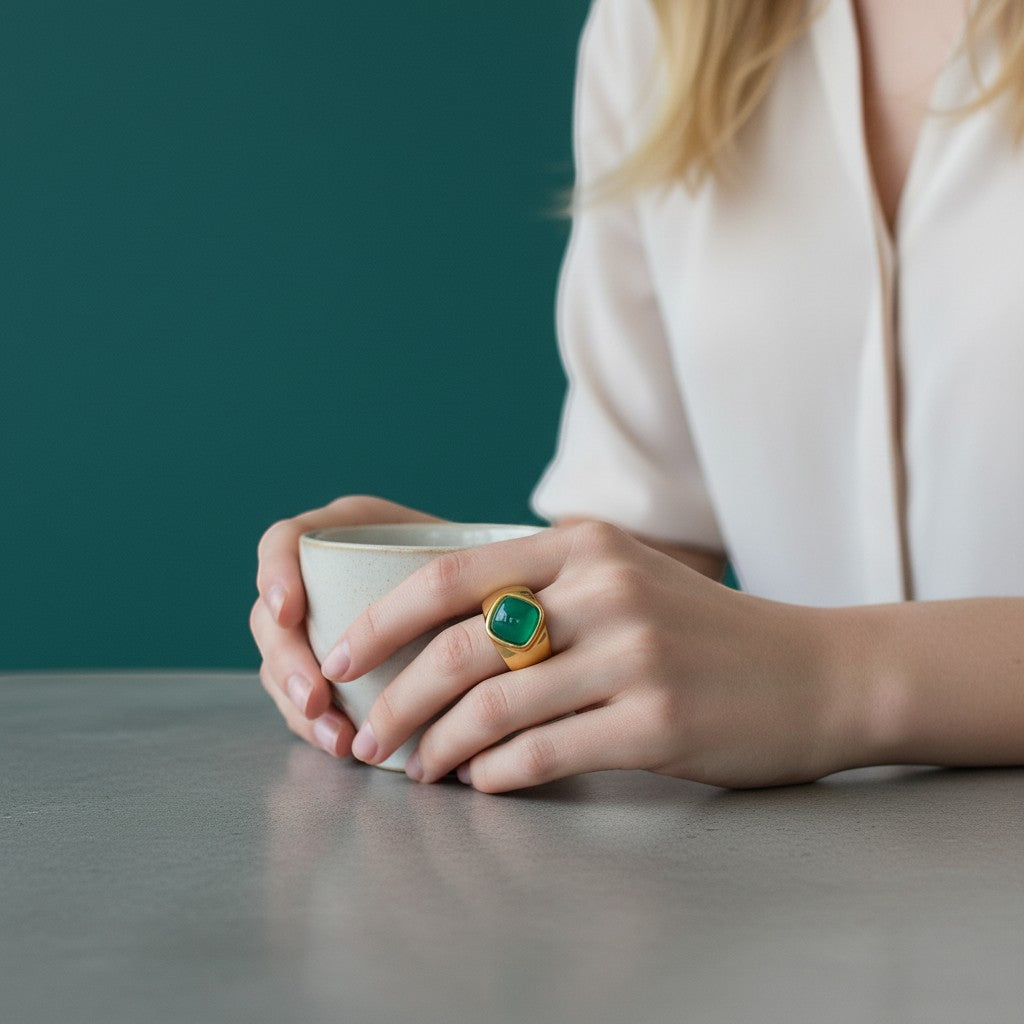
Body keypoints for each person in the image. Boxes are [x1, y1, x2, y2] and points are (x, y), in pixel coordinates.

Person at [250, 0, 1024, 793]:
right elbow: (648, 559)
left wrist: (832, 681)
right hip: (805, 890)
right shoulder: (660, 24)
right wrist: (444, 604)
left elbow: (783, 669)